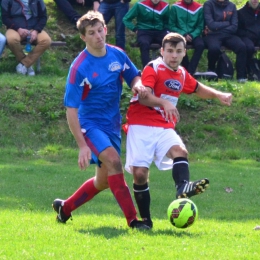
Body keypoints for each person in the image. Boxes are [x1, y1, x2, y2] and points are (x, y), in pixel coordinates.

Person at [52, 11, 150, 230]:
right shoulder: (79, 67)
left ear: (105, 29)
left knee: (103, 181)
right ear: (83, 37)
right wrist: (82, 145)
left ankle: (65, 208)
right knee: (115, 162)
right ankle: (133, 221)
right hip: (90, 125)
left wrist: (137, 84)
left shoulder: (117, 55)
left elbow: (134, 75)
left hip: (112, 125)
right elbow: (71, 110)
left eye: (100, 30)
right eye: (91, 33)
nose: (98, 36)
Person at [124, 32, 232, 228]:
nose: (174, 55)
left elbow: (198, 88)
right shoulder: (153, 68)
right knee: (139, 174)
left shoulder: (181, 73)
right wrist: (164, 102)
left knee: (180, 152)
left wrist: (219, 95)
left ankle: (182, 187)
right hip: (140, 124)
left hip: (164, 125)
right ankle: (146, 221)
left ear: (184, 53)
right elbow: (143, 97)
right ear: (162, 51)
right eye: (170, 51)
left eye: (178, 51)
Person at [1, 0, 51, 76]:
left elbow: (43, 17)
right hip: (15, 28)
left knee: (46, 40)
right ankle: (28, 66)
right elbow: (5, 18)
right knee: (12, 39)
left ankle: (24, 64)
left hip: (34, 28)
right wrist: (18, 29)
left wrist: (36, 30)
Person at [203, 0, 247, 83]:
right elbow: (211, 24)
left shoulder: (232, 6)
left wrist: (219, 28)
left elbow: (234, 26)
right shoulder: (208, 4)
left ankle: (241, 76)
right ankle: (211, 71)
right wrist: (227, 23)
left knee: (241, 47)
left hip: (228, 34)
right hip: (212, 35)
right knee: (214, 48)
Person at [123, 0, 169, 67]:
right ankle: (147, 69)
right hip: (144, 30)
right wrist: (134, 29)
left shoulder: (165, 5)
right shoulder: (140, 4)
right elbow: (126, 19)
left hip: (160, 31)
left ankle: (166, 68)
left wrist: (167, 30)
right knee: (144, 43)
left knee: (168, 43)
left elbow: (167, 21)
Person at [169, 0, 205, 75]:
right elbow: (171, 25)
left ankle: (190, 71)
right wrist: (183, 34)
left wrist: (192, 35)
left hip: (194, 34)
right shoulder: (175, 7)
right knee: (179, 45)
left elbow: (200, 26)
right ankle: (186, 69)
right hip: (180, 33)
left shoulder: (199, 8)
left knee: (200, 45)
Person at [237, 0, 260, 80]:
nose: (255, 0)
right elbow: (238, 30)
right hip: (246, 37)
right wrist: (248, 34)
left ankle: (256, 72)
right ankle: (245, 73)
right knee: (248, 47)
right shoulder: (240, 12)